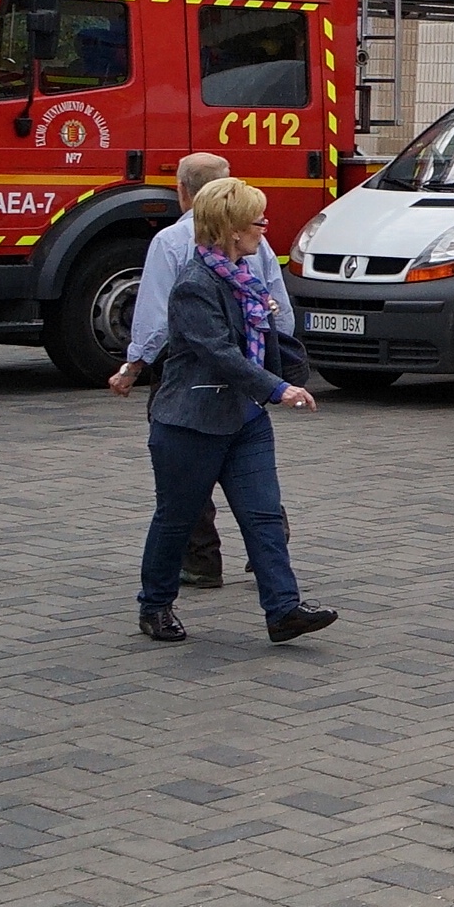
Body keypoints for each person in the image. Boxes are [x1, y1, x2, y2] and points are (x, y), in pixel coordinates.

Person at [135, 178, 335, 645]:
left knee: (263, 517)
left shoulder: (245, 277)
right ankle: (155, 605)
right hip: (191, 422)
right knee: (177, 519)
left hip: (245, 420)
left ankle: (283, 611)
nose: (265, 228)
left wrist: (269, 327)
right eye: (256, 221)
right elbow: (218, 353)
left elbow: (261, 342)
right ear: (230, 229)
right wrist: (277, 388)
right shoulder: (194, 285)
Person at [110, 153, 295, 591]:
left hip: (201, 381)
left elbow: (155, 316)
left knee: (196, 482)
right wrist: (277, 369)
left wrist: (134, 365)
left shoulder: (175, 242)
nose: (262, 227)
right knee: (211, 482)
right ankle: (259, 540)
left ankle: (206, 562)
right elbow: (277, 310)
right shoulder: (235, 251)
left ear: (182, 191)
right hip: (240, 380)